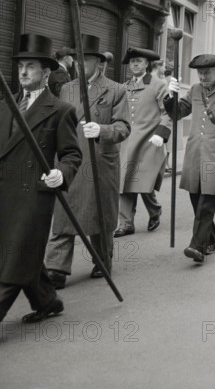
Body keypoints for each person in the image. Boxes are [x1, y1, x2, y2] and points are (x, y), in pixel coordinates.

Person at [0, 34, 81, 322]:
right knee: (22, 253)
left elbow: (72, 154)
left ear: (46, 73)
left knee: (16, 254)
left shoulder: (60, 111)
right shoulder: (5, 105)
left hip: (34, 194)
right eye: (21, 66)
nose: (23, 72)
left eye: (31, 66)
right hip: (4, 192)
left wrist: (62, 173)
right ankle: (47, 300)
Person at [45, 35, 131, 288]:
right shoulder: (66, 88)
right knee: (64, 212)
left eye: (86, 60)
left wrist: (103, 130)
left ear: (99, 63)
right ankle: (56, 267)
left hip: (99, 161)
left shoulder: (116, 89)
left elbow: (123, 127)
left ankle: (102, 260)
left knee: (100, 216)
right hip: (71, 158)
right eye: (77, 60)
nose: (79, 65)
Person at [165, 54, 215, 263]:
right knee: (195, 199)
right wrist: (170, 96)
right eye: (200, 73)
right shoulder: (194, 90)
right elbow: (177, 113)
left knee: (207, 202)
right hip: (194, 152)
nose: (202, 77)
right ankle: (210, 239)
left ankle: (197, 246)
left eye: (207, 73)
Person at [115, 47, 172, 237]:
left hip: (150, 141)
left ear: (147, 64)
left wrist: (161, 134)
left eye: (139, 61)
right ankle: (125, 223)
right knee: (124, 181)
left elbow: (168, 113)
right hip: (127, 142)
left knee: (144, 181)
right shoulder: (124, 87)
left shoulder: (158, 84)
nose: (135, 64)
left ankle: (155, 211)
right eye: (132, 62)